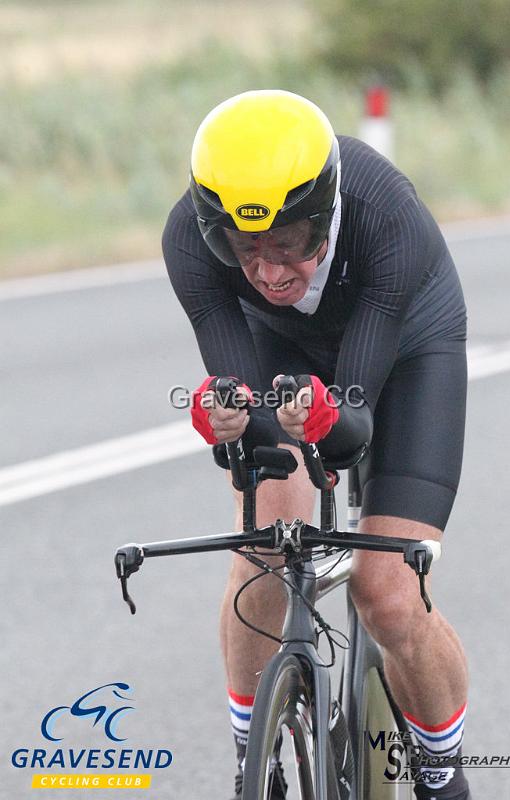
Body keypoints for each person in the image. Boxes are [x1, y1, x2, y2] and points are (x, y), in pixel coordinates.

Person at [163, 89, 471, 800]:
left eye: (291, 243)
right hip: (280, 347)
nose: (269, 271)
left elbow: (354, 426)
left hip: (409, 346)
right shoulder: (187, 238)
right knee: (263, 550)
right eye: (241, 248)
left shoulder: (386, 214)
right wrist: (227, 421)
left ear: (326, 209)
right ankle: (253, 762)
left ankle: (444, 775)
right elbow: (240, 408)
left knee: (389, 594)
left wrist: (328, 424)